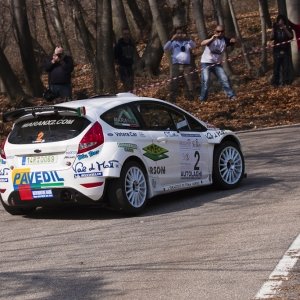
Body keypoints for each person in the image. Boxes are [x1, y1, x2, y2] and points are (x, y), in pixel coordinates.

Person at [199, 25, 236, 102]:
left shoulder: (225, 40)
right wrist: (211, 39)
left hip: (216, 64)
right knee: (206, 81)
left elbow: (235, 43)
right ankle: (203, 99)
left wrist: (234, 40)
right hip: (206, 63)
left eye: (222, 31)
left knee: (224, 79)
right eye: (218, 31)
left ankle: (231, 96)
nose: (220, 33)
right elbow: (202, 43)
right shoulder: (211, 38)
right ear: (215, 32)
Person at [163, 27, 196, 102]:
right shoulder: (174, 42)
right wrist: (172, 39)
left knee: (189, 81)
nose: (180, 35)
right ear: (175, 34)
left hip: (187, 65)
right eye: (178, 33)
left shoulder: (187, 42)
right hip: (176, 65)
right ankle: (172, 99)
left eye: (181, 33)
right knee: (174, 81)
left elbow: (194, 46)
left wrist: (187, 38)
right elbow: (165, 48)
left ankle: (190, 98)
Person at [270, 14, 294, 87]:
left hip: (285, 50)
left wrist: (284, 28)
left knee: (285, 67)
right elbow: (271, 38)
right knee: (276, 67)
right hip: (277, 51)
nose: (281, 22)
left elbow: (290, 37)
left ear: (284, 22)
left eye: (282, 21)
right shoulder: (276, 29)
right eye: (279, 21)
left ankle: (286, 81)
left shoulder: (288, 28)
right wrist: (273, 29)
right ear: (277, 21)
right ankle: (275, 82)